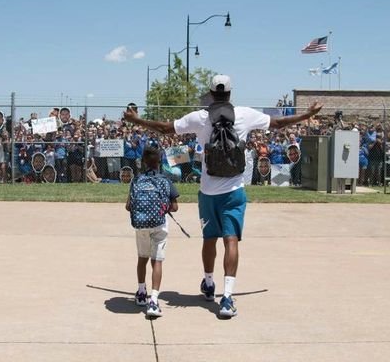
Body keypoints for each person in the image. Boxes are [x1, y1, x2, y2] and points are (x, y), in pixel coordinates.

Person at [124, 74, 322, 318]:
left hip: (208, 192)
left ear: (211, 93)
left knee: (209, 239)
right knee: (231, 241)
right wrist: (306, 115)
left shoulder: (200, 117)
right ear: (230, 93)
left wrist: (136, 119)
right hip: (234, 191)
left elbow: (166, 128)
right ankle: (227, 298)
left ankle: (209, 283)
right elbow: (279, 124)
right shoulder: (245, 114)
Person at [125, 146, 179, 318]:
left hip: (141, 225)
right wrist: (163, 206)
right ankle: (154, 301)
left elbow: (128, 206)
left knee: (142, 258)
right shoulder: (165, 180)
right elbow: (175, 207)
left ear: (143, 162)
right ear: (159, 162)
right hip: (159, 225)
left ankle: (141, 292)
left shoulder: (136, 180)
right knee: (157, 261)